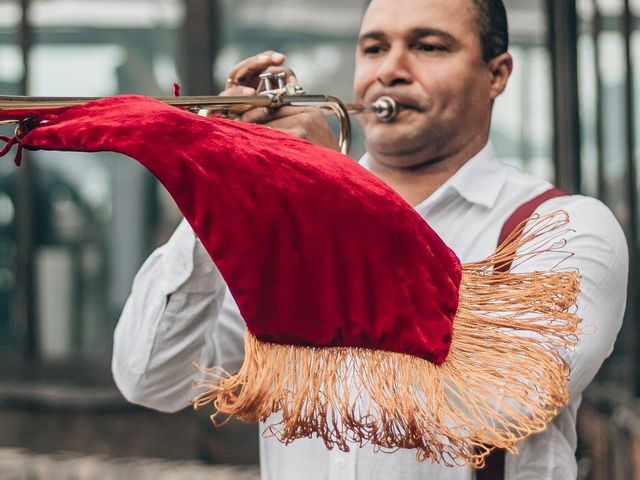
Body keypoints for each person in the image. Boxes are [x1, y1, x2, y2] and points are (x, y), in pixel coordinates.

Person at [111, 0, 628, 478]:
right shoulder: (285, 229)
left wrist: (334, 193)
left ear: (496, 75)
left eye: (428, 46)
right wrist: (223, 182)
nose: (390, 70)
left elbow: (498, 402)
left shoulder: (562, 227)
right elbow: (150, 379)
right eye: (374, 48)